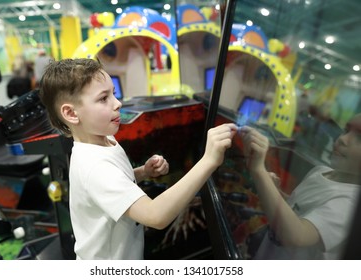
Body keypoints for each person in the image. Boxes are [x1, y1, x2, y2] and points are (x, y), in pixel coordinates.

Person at [39, 58, 238, 260]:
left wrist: (143, 172)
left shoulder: (104, 139)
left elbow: (114, 184)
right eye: (103, 98)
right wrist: (209, 160)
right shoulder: (95, 167)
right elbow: (155, 216)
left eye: (113, 94)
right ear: (71, 113)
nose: (117, 103)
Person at [239, 113, 361, 259]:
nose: (342, 139)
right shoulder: (321, 171)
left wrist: (258, 170)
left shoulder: (351, 204)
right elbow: (298, 207)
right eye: (346, 130)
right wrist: (275, 191)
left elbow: (296, 236)